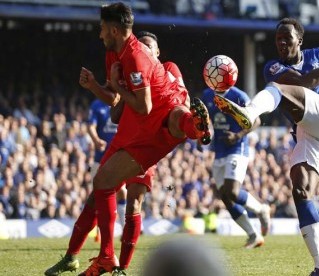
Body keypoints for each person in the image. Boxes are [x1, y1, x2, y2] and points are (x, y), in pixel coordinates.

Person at [45, 3, 211, 276]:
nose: (99, 34)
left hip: (156, 118)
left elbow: (145, 106)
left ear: (113, 29)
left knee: (175, 118)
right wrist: (97, 86)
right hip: (133, 128)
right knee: (101, 186)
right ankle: (96, 257)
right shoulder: (114, 55)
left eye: (101, 29)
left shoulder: (137, 57)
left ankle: (196, 128)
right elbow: (117, 105)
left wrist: (119, 85)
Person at [213, 17, 319, 276]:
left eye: (287, 38)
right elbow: (308, 82)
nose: (281, 43)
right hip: (308, 133)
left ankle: (250, 112)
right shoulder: (273, 67)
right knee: (300, 189)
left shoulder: (318, 54)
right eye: (278, 39)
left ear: (299, 40)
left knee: (278, 89)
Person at [202, 86, 271, 249]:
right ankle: (254, 235)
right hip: (219, 150)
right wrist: (201, 136)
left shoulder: (239, 95)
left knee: (232, 191)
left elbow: (257, 120)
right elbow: (205, 119)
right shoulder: (207, 95)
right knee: (225, 197)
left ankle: (261, 209)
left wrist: (238, 135)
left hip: (237, 148)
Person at [87, 98, 127, 241]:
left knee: (122, 191)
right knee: (96, 195)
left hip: (118, 157)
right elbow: (90, 126)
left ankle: (124, 229)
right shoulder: (97, 105)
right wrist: (96, 140)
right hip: (100, 158)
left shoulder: (124, 102)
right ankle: (99, 232)